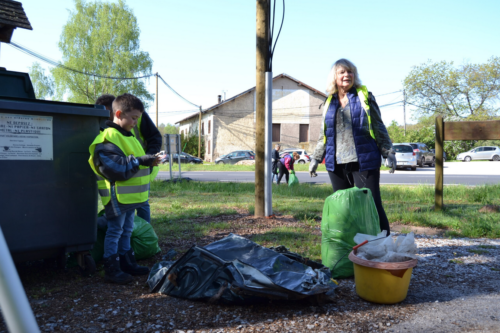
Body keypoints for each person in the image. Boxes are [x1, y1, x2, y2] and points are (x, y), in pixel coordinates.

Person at [309, 59, 396, 235]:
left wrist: (388, 152)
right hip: (336, 162)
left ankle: (383, 247)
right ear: (334, 76)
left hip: (363, 160)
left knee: (371, 206)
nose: (346, 75)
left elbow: (378, 126)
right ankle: (352, 251)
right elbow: (323, 135)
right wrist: (316, 158)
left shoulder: (364, 97)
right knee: (344, 208)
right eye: (342, 72)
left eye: (350, 72)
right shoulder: (329, 102)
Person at [89, 93, 161, 284]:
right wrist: (142, 160)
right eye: (134, 118)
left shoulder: (127, 136)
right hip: (117, 197)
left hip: (129, 198)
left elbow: (135, 163)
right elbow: (114, 168)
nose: (136, 123)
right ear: (119, 114)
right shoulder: (107, 137)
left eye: (138, 118)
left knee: (127, 228)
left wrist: (150, 161)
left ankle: (126, 261)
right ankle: (112, 269)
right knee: (115, 230)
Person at [95, 94, 162, 224]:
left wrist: (149, 158)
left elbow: (155, 137)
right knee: (121, 224)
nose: (108, 117)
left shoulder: (135, 115)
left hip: (141, 168)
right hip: (124, 173)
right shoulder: (103, 126)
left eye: (107, 113)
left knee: (142, 204)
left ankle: (143, 234)